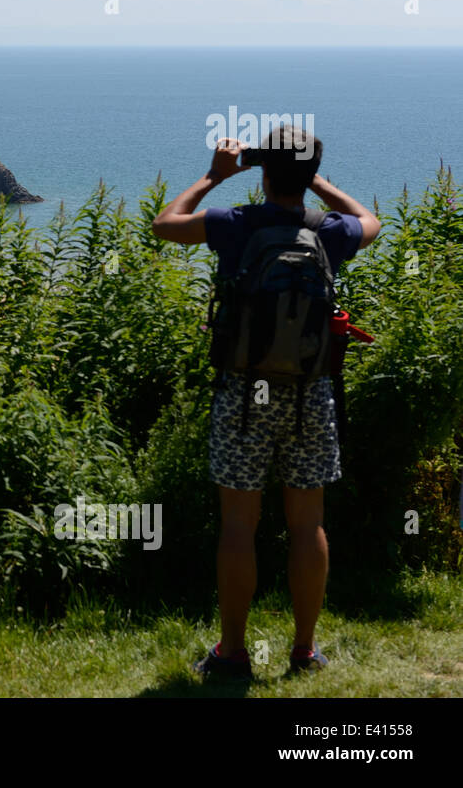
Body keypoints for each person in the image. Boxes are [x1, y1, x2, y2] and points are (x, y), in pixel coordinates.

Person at [151, 126, 381, 679]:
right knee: (308, 525)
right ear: (307, 174)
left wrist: (214, 175)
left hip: (242, 396)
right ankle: (304, 652)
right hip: (310, 395)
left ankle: (232, 654)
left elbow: (163, 225)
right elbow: (372, 221)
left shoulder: (236, 223)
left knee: (239, 525)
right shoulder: (330, 232)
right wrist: (315, 180)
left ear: (262, 171)